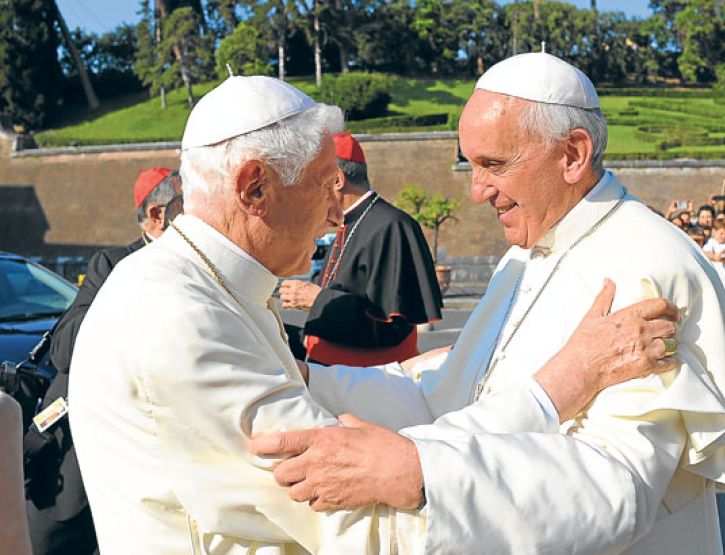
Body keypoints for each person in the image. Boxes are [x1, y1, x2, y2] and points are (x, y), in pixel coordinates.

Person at [69, 75, 684, 554]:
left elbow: (316, 397)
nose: (337, 213)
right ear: (254, 187)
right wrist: (560, 383)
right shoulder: (178, 316)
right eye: (324, 183)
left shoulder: (193, 285)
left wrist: (426, 379)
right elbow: (359, 511)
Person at [253, 54, 725, 554]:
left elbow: (619, 484)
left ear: (572, 154)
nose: (478, 192)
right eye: (470, 165)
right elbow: (450, 399)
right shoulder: (524, 254)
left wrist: (422, 471)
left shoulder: (646, 266)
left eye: (493, 165)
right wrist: (308, 380)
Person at [24, 167, 182, 555]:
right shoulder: (114, 264)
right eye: (187, 204)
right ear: (158, 215)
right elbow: (64, 349)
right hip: (84, 446)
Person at [278, 131, 443, 366]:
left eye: (312, 182)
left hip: (368, 386)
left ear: (337, 179)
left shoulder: (391, 227)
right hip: (334, 379)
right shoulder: (349, 224)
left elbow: (390, 327)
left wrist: (317, 299)